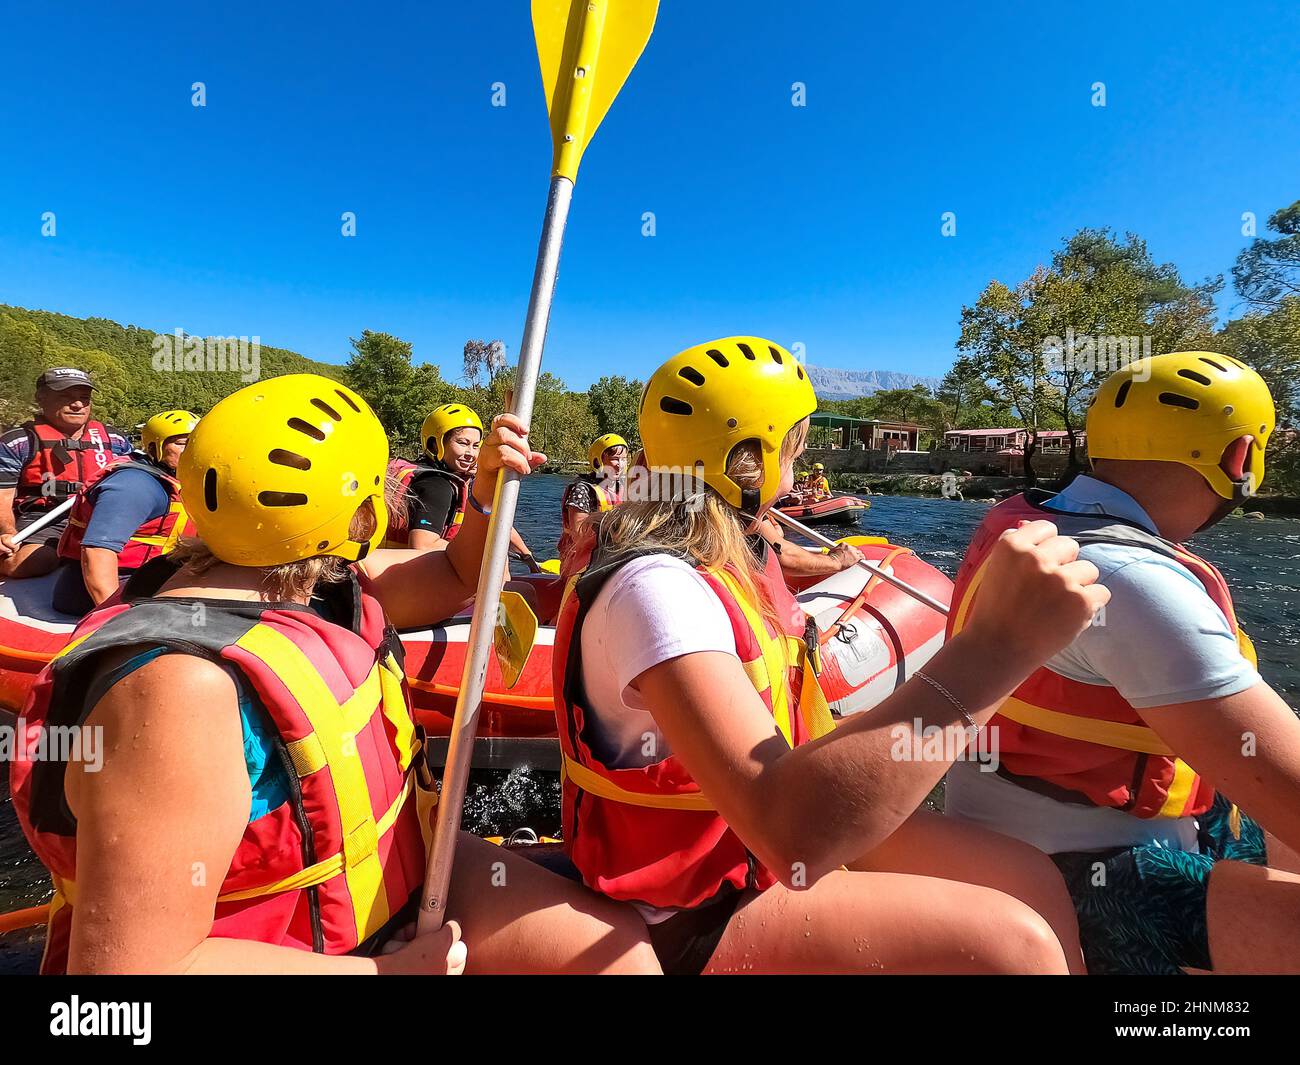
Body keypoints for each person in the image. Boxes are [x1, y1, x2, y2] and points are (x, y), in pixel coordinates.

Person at [9, 374, 656, 975]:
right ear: (362, 515)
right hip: (311, 948)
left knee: (622, 957)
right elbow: (127, 978)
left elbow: (457, 575)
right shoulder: (179, 687)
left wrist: (485, 490)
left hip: (391, 872)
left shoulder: (322, 579)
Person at [551, 336, 1109, 975]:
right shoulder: (659, 589)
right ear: (752, 461)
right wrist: (1001, 647)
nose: (801, 469)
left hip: (755, 850)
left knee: (1027, 875)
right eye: (795, 449)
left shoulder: (734, 557)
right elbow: (790, 831)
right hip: (693, 908)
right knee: (1017, 947)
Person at [943, 351, 1300, 975]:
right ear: (1240, 459)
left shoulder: (1023, 520)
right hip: (1092, 873)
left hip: (997, 831)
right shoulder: (1135, 581)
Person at [50, 410, 197, 616]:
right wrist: (114, 616)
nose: (193, 449)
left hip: (152, 573)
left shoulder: (176, 475)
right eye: (182, 443)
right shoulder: (133, 486)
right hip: (114, 586)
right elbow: (97, 552)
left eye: (196, 441)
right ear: (156, 447)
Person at [0, 369, 133, 579]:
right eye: (66, 397)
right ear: (41, 398)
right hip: (46, 518)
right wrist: (8, 534)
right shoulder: (18, 441)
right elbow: (3, 498)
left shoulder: (114, 439)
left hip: (102, 514)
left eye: (84, 398)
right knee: (33, 562)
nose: (78, 405)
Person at [387, 402, 537, 568]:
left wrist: (527, 555)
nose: (471, 454)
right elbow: (422, 545)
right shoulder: (436, 485)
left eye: (475, 446)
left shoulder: (448, 478)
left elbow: (495, 519)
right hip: (409, 578)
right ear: (435, 444)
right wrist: (484, 552)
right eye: (463, 443)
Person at [557, 432, 628, 564]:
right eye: (615, 459)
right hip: (579, 559)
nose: (620, 464)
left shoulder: (622, 488)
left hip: (608, 555)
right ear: (597, 460)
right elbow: (579, 534)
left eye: (623, 459)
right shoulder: (582, 490)